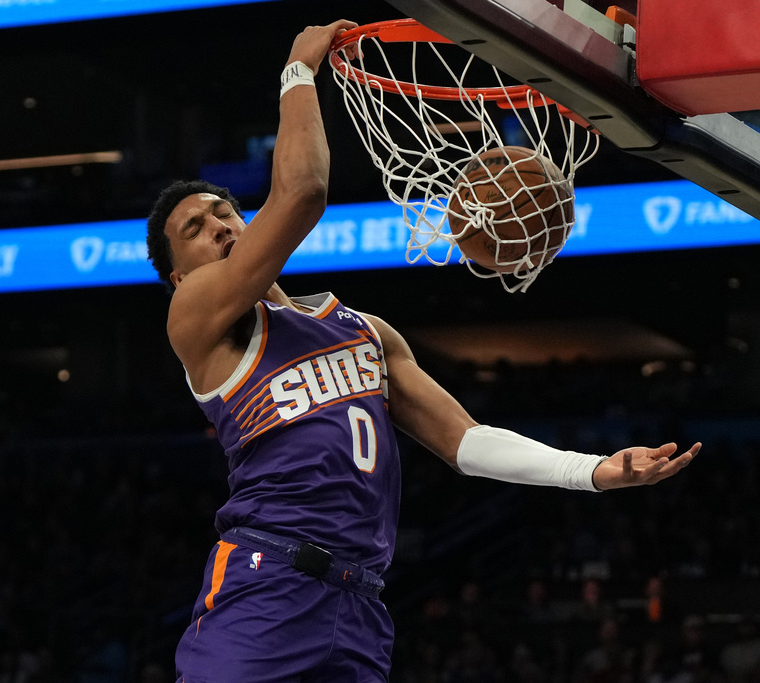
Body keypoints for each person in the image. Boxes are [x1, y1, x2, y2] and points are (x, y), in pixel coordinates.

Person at [144, 18, 701, 683]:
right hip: (266, 582)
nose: (217, 224)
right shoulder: (196, 317)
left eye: (223, 211)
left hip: (360, 604)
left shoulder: (365, 330)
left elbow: (465, 441)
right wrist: (298, 71)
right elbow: (303, 193)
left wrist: (593, 470)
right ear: (178, 275)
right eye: (195, 228)